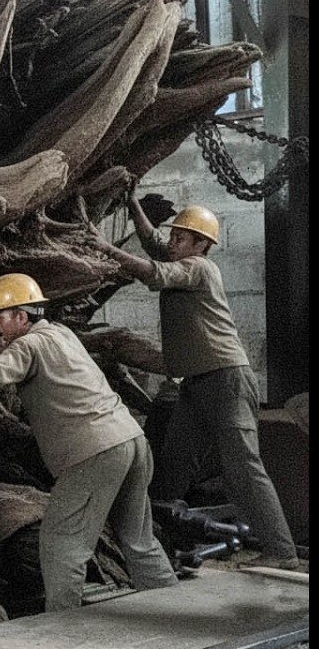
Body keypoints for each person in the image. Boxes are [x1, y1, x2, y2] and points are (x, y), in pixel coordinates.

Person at [0, 273, 178, 612]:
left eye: (0, 317)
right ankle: (176, 610)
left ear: (22, 316)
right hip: (131, 441)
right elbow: (10, 348)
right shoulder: (59, 334)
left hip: (95, 452)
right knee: (139, 540)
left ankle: (64, 633)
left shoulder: (29, 345)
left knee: (62, 544)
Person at [92, 196, 298, 570]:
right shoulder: (178, 256)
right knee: (170, 470)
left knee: (244, 469)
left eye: (183, 239)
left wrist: (103, 248)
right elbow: (155, 244)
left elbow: (156, 272)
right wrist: (133, 202)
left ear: (202, 245)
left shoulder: (200, 268)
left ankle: (282, 552)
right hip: (194, 386)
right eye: (175, 237)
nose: (174, 243)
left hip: (226, 380)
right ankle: (159, 550)